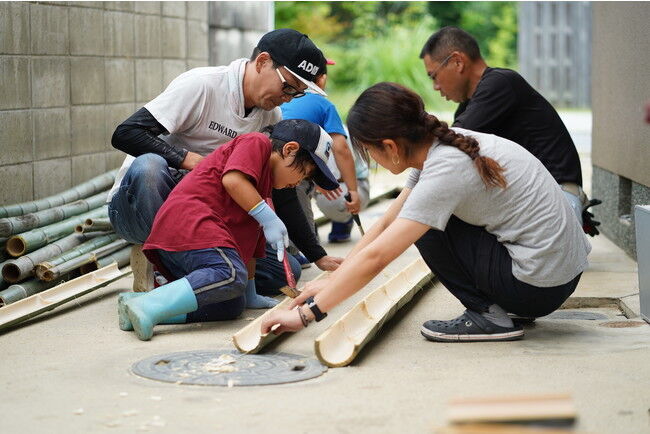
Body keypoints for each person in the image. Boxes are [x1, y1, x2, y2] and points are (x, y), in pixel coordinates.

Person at [262, 82, 591, 342]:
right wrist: (334, 277)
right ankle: (503, 306)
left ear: (389, 146)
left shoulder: (446, 168)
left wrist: (306, 315)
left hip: (539, 286)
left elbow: (380, 255)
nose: (371, 160)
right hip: (557, 275)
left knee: (427, 227)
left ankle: (489, 317)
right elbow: (388, 219)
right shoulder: (442, 146)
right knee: (416, 216)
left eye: (369, 151)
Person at [107, 28, 343, 302]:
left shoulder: (270, 116)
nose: (288, 98)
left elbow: (280, 189)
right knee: (150, 167)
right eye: (288, 86)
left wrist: (317, 255)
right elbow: (125, 133)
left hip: (202, 217)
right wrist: (188, 159)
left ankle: (194, 280)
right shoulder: (202, 85)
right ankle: (165, 265)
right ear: (263, 61)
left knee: (284, 271)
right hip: (138, 205)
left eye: (298, 93)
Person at [119, 119, 340, 341]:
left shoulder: (261, 192)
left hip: (197, 238)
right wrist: (267, 217)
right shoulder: (257, 143)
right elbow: (233, 180)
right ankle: (149, 306)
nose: (300, 182)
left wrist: (250, 292)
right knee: (229, 273)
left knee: (231, 305)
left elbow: (250, 247)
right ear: (289, 149)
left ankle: (136, 304)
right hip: (188, 223)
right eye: (304, 173)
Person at [420, 26, 600, 235]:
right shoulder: (470, 103)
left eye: (433, 76)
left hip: (557, 196)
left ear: (457, 62)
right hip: (533, 194)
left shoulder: (500, 84)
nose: (435, 86)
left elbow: (447, 148)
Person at [281, 60, 370, 245]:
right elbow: (341, 148)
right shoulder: (323, 104)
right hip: (292, 166)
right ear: (321, 80)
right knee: (297, 197)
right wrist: (352, 191)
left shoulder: (282, 98)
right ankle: (303, 247)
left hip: (274, 163)